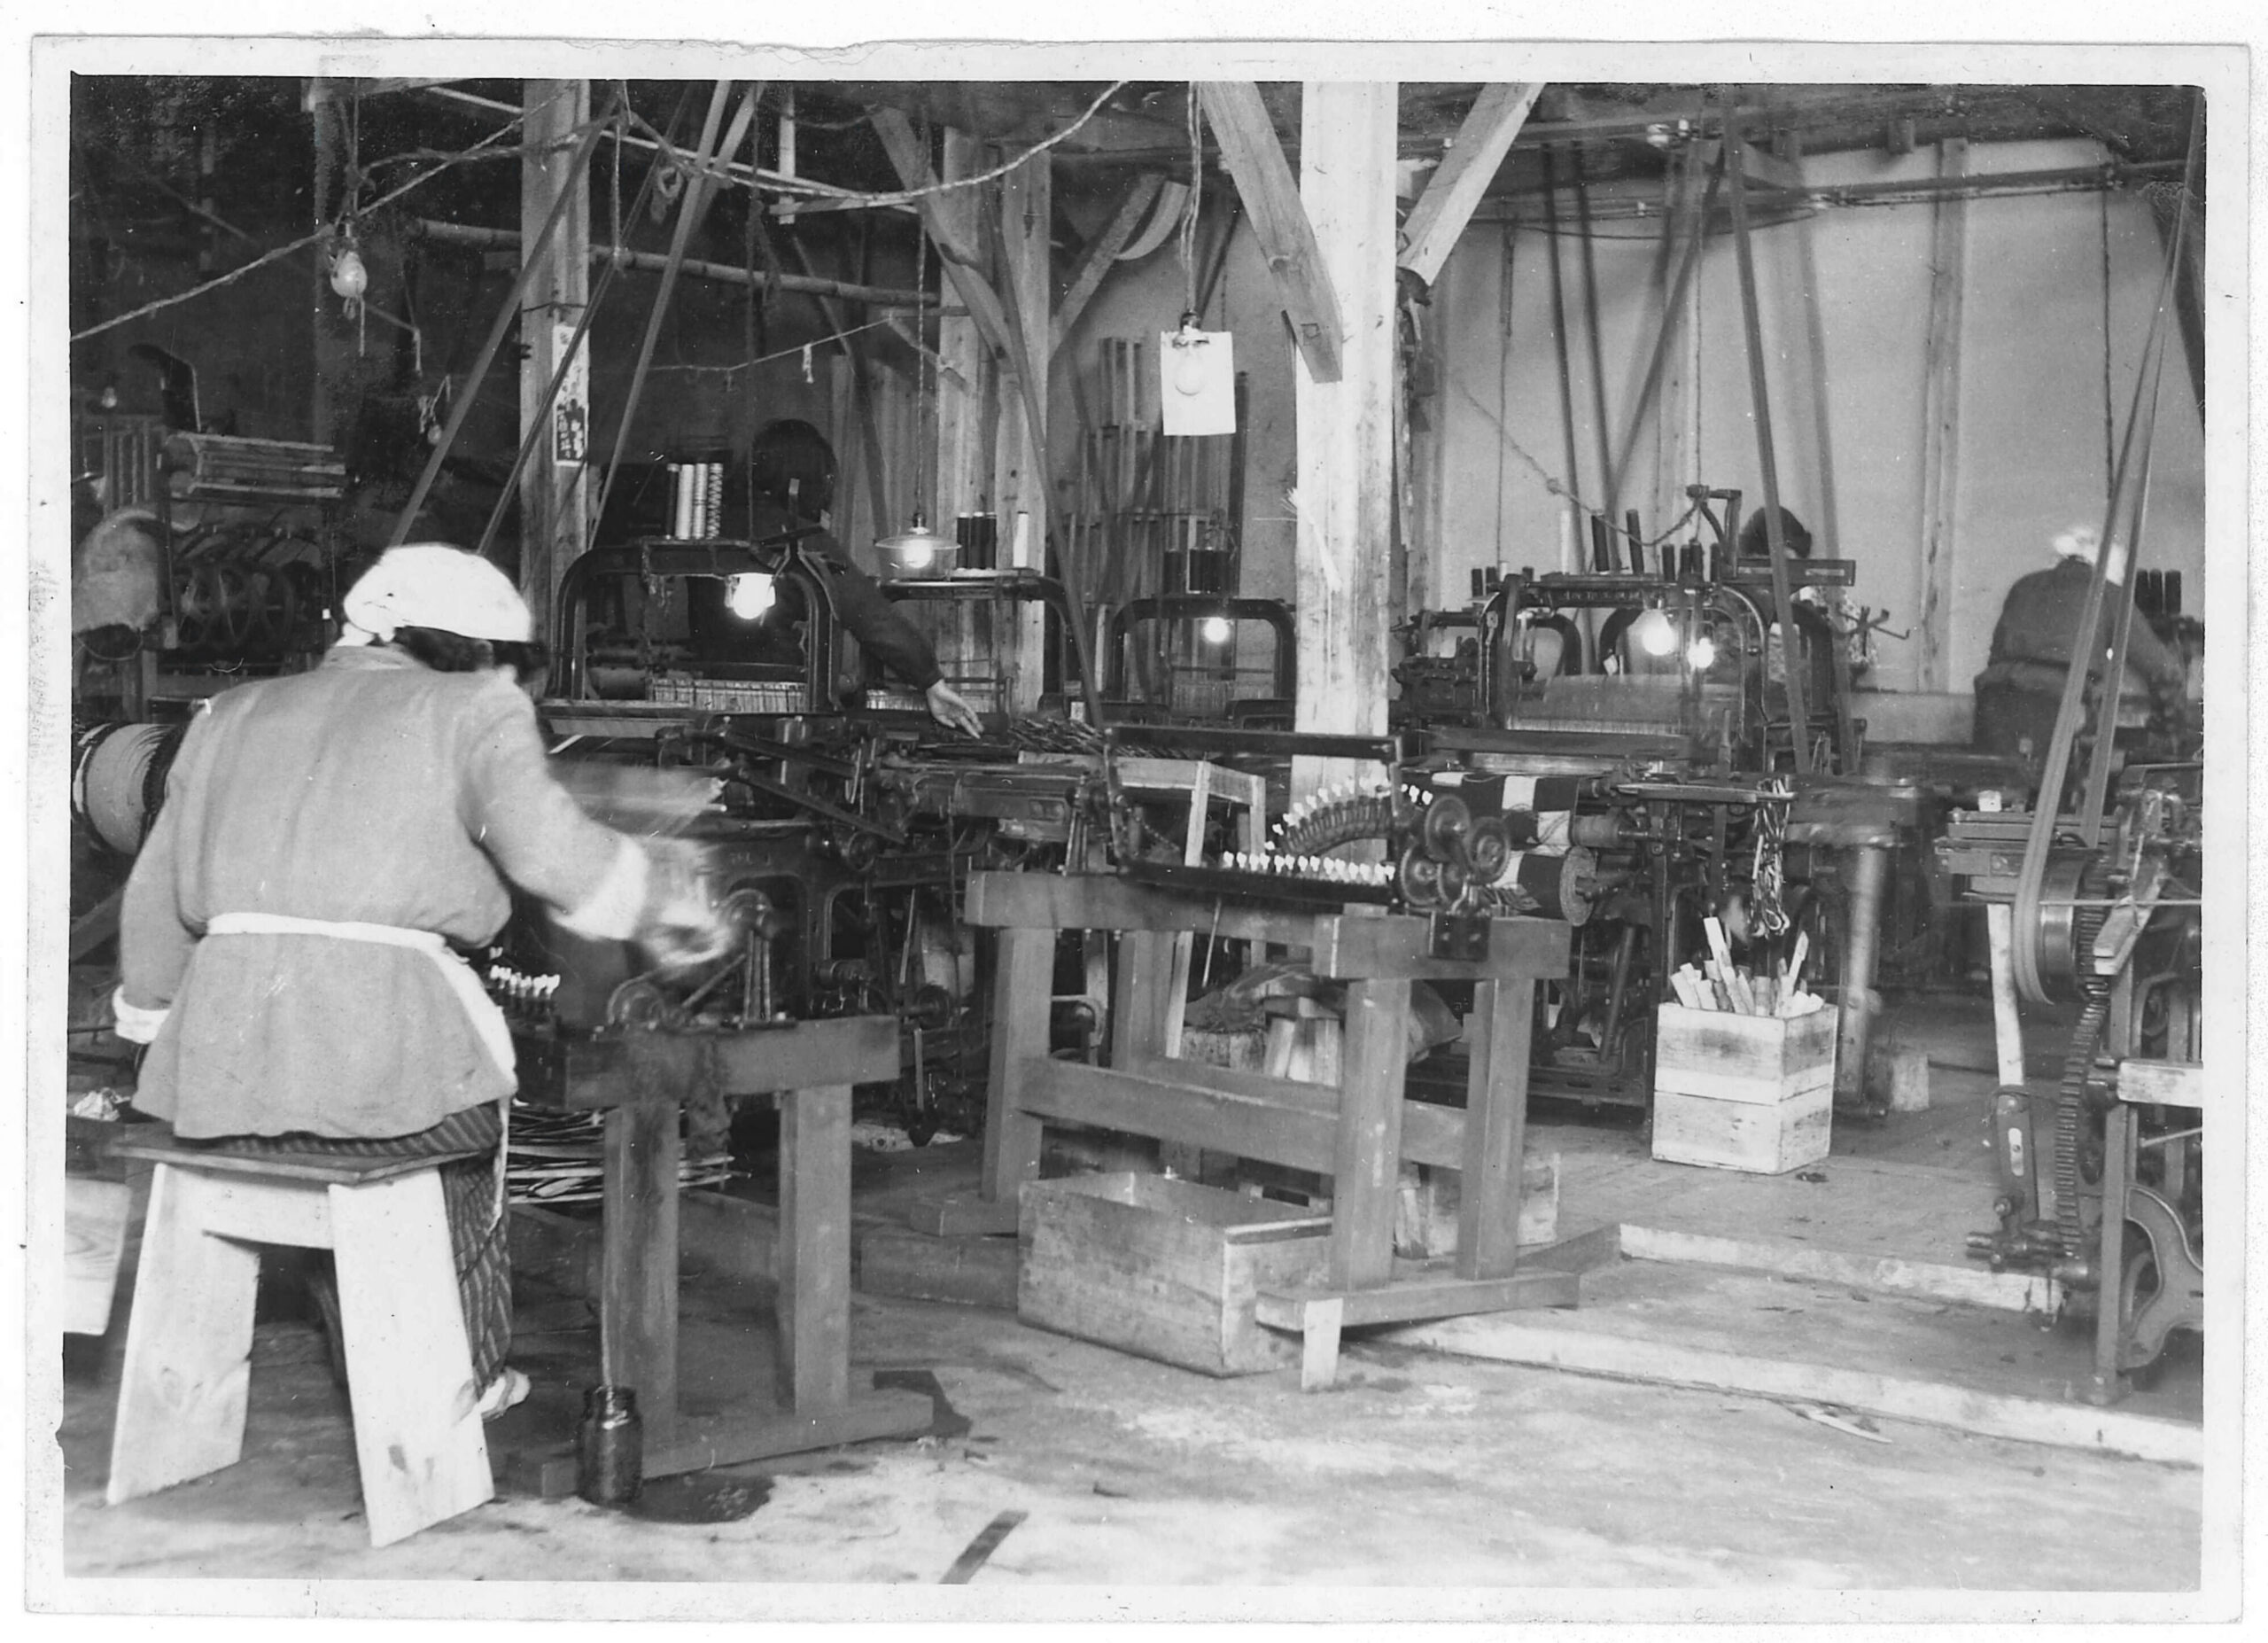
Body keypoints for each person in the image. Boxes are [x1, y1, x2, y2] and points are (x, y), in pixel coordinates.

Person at [113, 543, 731, 1417]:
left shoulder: (230, 711)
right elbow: (550, 855)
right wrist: (663, 899)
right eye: (501, 662)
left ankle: (354, 1361)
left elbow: (152, 907)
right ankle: (460, 1379)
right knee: (460, 1153)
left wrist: (151, 1036)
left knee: (325, 1163)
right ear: (472, 651)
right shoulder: (474, 706)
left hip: (214, 1084)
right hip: (382, 1070)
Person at [748, 420, 983, 736]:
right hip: (782, 711)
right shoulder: (803, 538)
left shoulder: (716, 525)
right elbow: (869, 614)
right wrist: (930, 680)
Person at [1973, 523, 2190, 774]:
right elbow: (2164, 670)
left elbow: (1998, 654)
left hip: (1993, 700)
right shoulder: (2107, 593)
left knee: (1998, 786)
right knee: (2070, 784)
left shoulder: (2024, 585)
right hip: (2056, 708)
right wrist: (2166, 732)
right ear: (2111, 567)